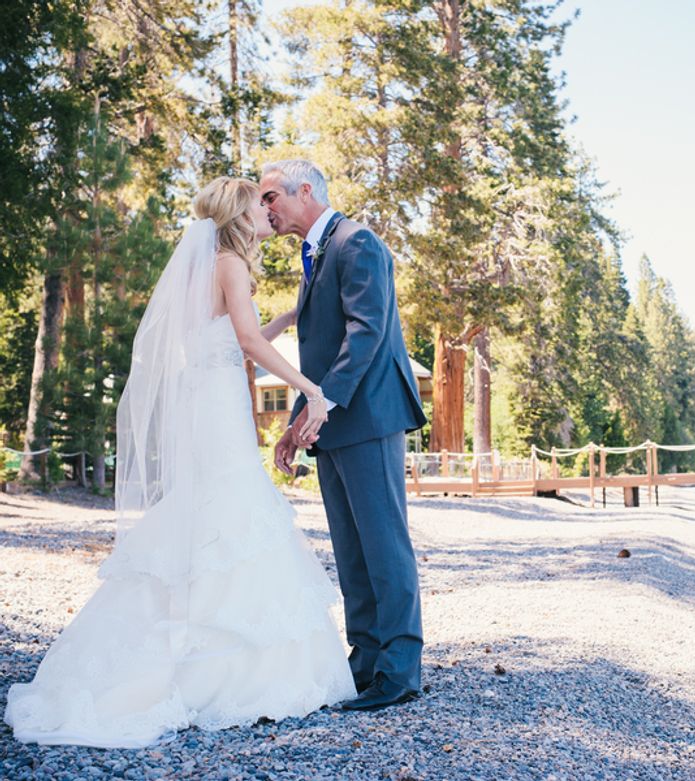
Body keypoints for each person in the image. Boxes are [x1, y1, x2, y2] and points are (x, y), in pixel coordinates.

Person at [3, 177, 356, 748]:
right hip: (217, 404)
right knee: (230, 503)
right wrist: (310, 388)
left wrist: (287, 320)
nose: (267, 212)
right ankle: (218, 661)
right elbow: (246, 342)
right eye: (259, 204)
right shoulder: (230, 264)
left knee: (212, 504)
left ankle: (192, 630)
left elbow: (231, 335)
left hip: (207, 399)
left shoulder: (209, 266)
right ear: (238, 215)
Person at [260, 159, 427, 712]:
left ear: (304, 191)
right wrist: (298, 421)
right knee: (351, 551)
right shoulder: (315, 254)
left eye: (270, 197)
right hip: (332, 419)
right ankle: (366, 662)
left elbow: (365, 332)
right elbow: (320, 351)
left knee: (384, 545)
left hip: (369, 415)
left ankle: (399, 671)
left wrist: (321, 404)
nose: (264, 209)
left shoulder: (357, 243)